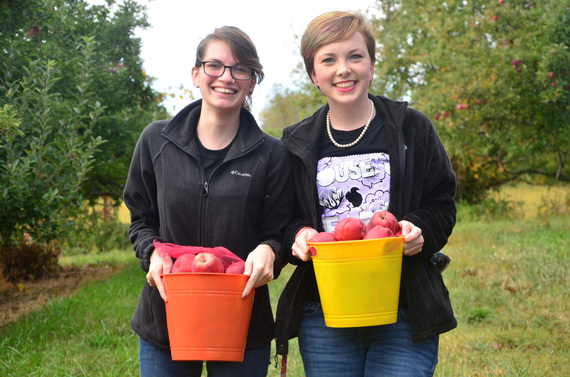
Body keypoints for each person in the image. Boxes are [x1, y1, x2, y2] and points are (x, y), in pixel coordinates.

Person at [274, 11, 457, 377]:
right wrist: (297, 235)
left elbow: (441, 202)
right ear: (313, 74)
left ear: (372, 65)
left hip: (403, 307)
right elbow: (282, 217)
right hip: (323, 311)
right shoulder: (296, 143)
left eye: (355, 56)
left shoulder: (412, 128)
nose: (344, 69)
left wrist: (419, 229)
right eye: (329, 59)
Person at [123, 26, 294, 377]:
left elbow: (280, 230)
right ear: (196, 73)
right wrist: (151, 253)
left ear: (251, 82)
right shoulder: (156, 141)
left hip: (242, 320)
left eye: (240, 69)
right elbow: (140, 216)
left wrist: (270, 251)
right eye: (214, 65)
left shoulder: (273, 155)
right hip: (167, 316)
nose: (226, 77)